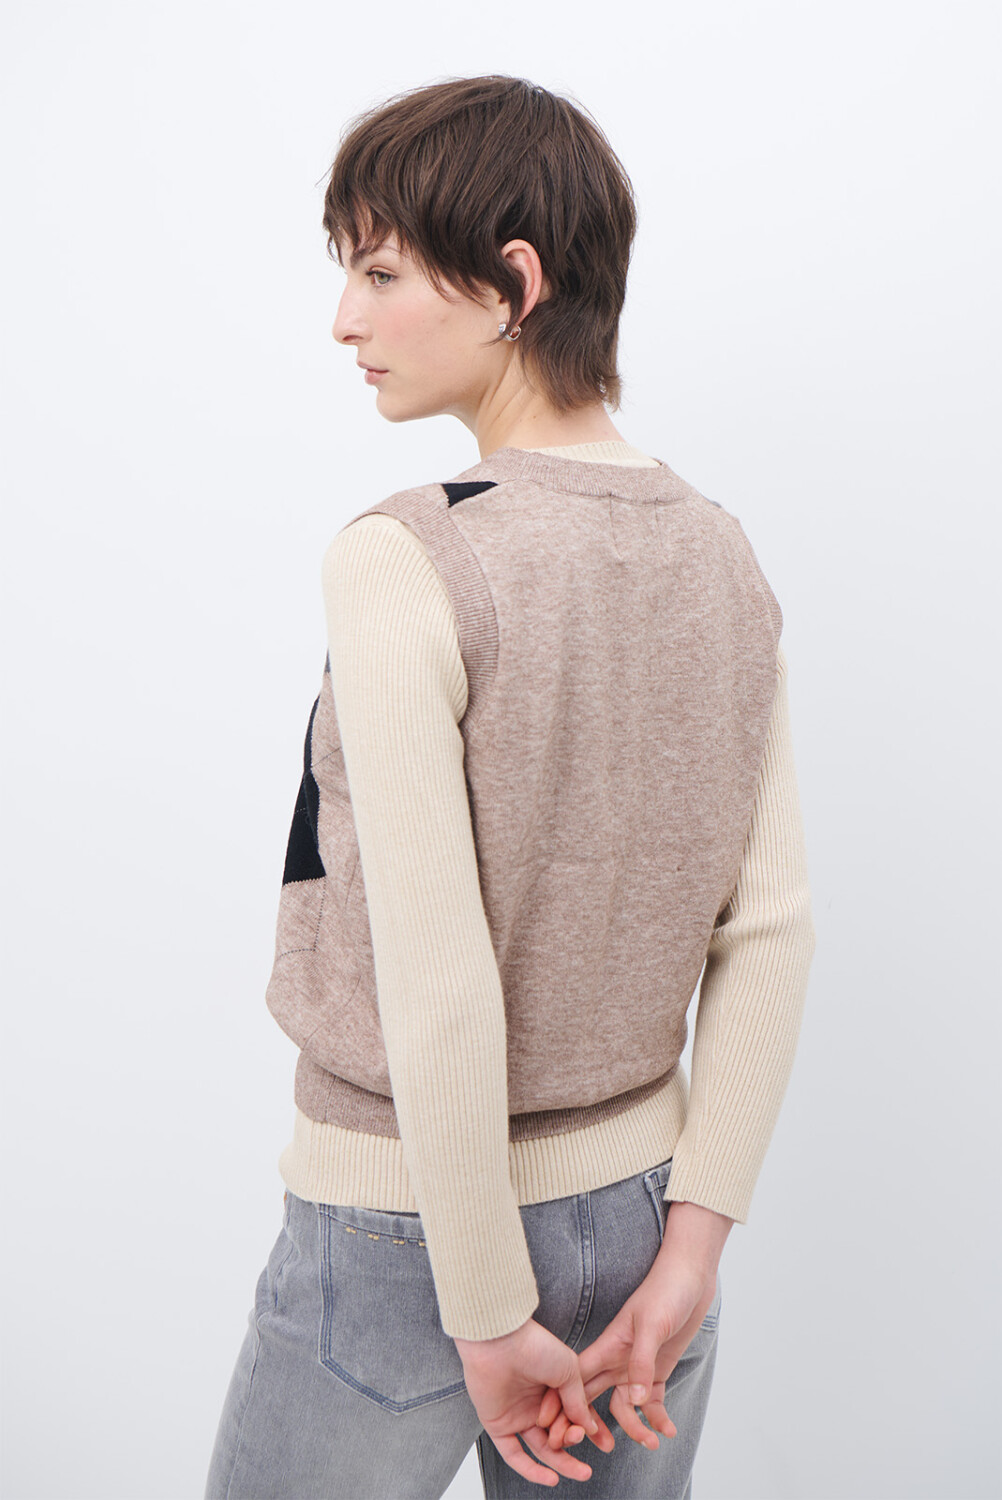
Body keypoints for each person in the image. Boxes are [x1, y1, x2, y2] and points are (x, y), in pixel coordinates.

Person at [204, 74, 816, 1500]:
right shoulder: (719, 550)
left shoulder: (405, 554)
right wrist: (694, 1250)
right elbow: (772, 927)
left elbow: (435, 971)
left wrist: (481, 1307)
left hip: (406, 1233)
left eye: (379, 273)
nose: (343, 320)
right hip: (646, 1232)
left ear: (512, 285)